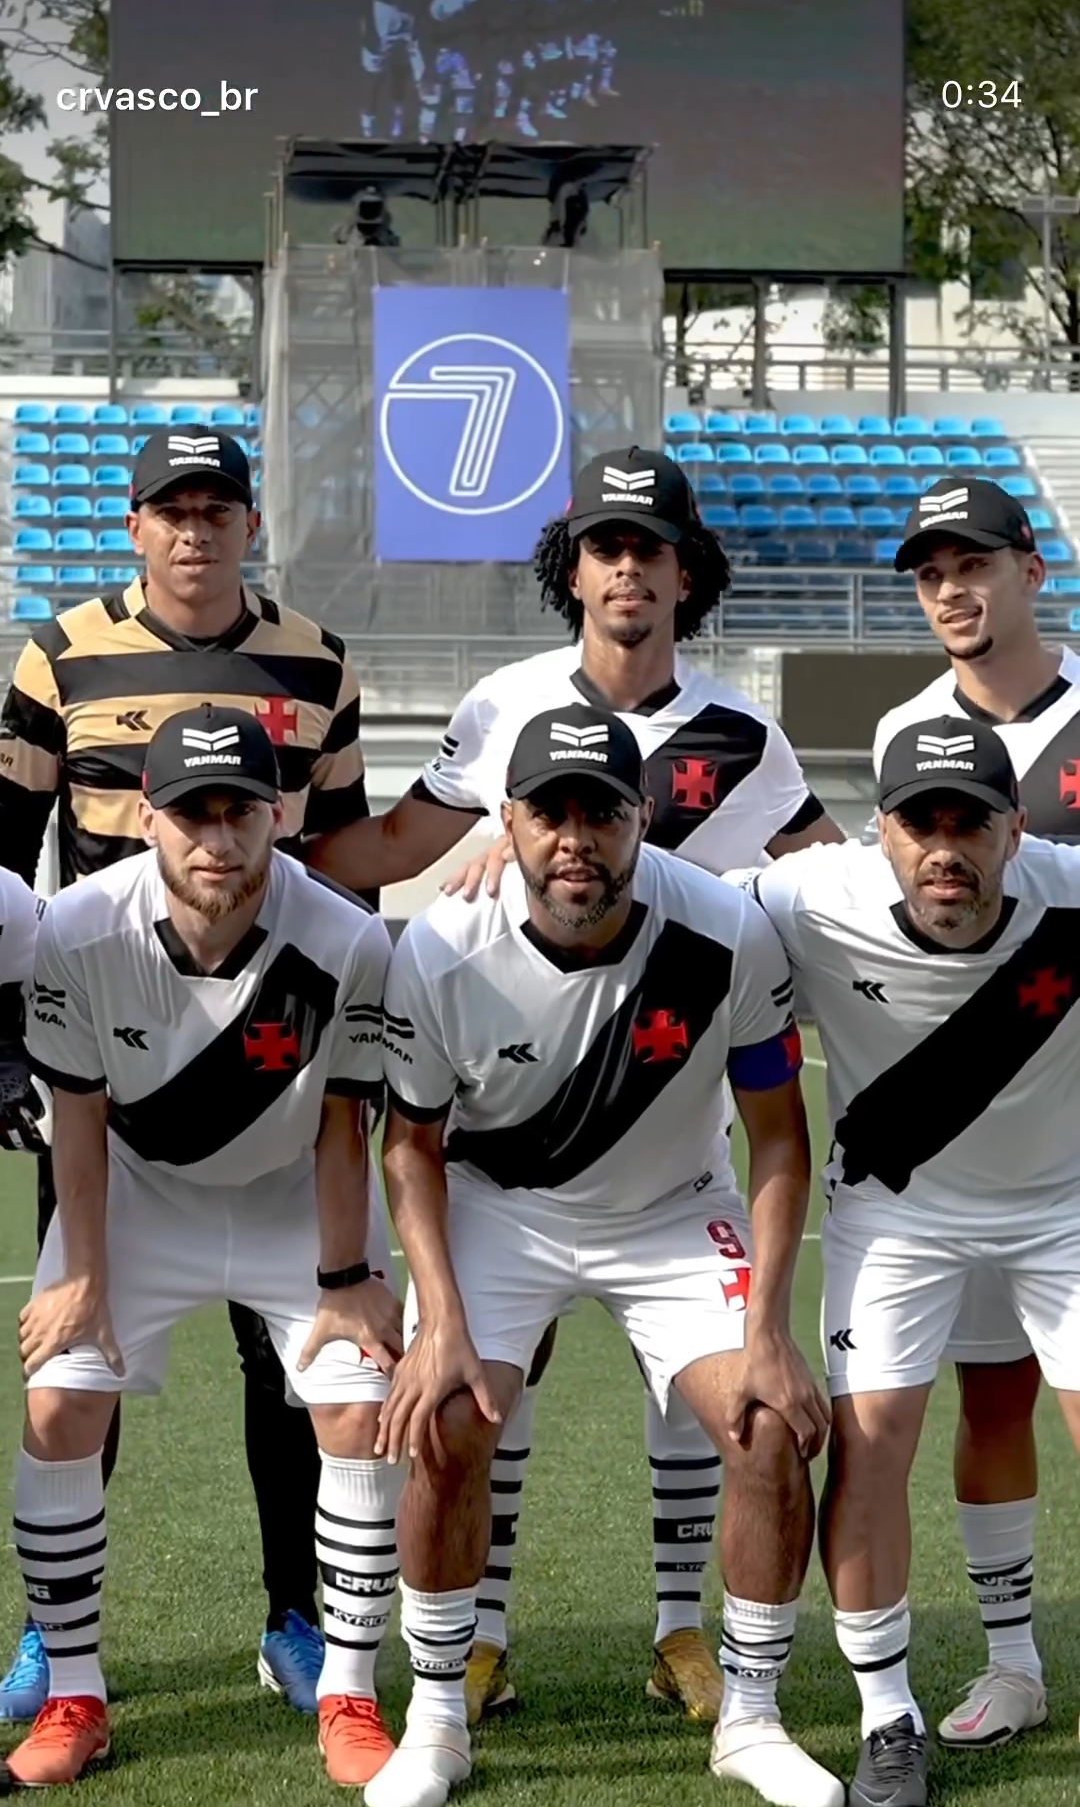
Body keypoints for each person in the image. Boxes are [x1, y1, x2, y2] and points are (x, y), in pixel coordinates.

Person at [313, 444, 843, 1724]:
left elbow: (831, 873)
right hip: (519, 1097)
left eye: (650, 549)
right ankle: (480, 1638)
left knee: (706, 1388)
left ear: (685, 572)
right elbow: (400, 846)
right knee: (498, 1370)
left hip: (673, 1102)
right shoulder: (508, 703)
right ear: (575, 570)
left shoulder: (745, 735)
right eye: (605, 547)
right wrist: (251, 854)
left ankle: (680, 1632)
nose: (627, 570)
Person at [369, 703, 843, 1807]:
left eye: (602, 812)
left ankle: (753, 1718)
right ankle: (437, 1721)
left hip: (673, 1209)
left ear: (643, 819)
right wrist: (439, 1323)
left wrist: (769, 1328)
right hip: (500, 1208)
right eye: (550, 813)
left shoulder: (726, 930)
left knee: (769, 1422)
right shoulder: (440, 945)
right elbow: (410, 1148)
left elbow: (779, 1137)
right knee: (444, 1415)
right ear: (509, 821)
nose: (575, 838)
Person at [0, 424, 374, 1721]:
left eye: (218, 508)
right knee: (78, 1342)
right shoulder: (58, 654)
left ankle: (295, 1617)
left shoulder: (316, 659)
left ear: (249, 524)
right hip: (109, 1051)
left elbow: (340, 859)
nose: (195, 528)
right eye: (174, 508)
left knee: (291, 1361)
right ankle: (54, 1638)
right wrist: (10, 1045)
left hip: (269, 1050)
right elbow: (3, 858)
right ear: (135, 524)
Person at [5, 707, 401, 1790]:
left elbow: (344, 1126)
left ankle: (351, 1694)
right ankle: (75, 1693)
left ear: (279, 815)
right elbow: (77, 1117)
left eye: (240, 813)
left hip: (292, 1202)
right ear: (148, 818)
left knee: (359, 1405)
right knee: (59, 1401)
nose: (217, 840)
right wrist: (83, 1275)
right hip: (137, 1197)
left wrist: (345, 1282)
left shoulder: (348, 941)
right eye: (193, 814)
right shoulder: (76, 928)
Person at [735, 714, 1080, 1807]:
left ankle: (1014, 1666)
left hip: (1065, 1211)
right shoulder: (807, 896)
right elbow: (660, 894)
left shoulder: (1072, 894)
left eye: (969, 824)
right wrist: (497, 869)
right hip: (898, 1215)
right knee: (872, 1445)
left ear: (1015, 831)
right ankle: (888, 1717)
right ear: (877, 832)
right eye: (920, 823)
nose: (945, 848)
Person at [872, 473, 1076, 1747]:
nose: (952, 589)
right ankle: (1013, 1662)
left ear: (1030, 571)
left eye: (974, 564)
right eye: (931, 573)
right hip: (974, 1131)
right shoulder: (909, 728)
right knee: (992, 1400)